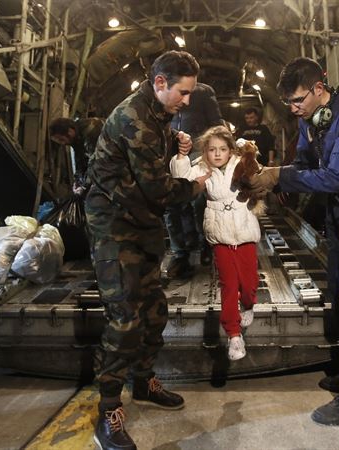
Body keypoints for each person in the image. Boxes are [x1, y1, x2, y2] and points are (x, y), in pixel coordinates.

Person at [243, 57, 339, 426]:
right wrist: (280, 182)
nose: (294, 109)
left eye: (298, 101)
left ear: (318, 88)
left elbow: (337, 176)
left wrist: (279, 177)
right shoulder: (309, 119)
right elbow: (306, 162)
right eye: (290, 104)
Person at [85, 50, 210, 450]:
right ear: (159, 83)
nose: (186, 102)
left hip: (141, 224)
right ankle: (109, 411)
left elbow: (153, 152)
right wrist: (198, 184)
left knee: (154, 311)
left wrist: (177, 139)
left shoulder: (156, 114)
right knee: (123, 319)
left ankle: (143, 383)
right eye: (183, 93)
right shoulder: (133, 119)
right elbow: (158, 189)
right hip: (115, 228)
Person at [171, 126, 261, 360]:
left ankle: (249, 305)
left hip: (244, 232)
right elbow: (181, 178)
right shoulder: (202, 167)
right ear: (205, 151)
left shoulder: (238, 163)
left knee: (249, 285)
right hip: (220, 234)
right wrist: (182, 155)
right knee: (229, 285)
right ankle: (233, 335)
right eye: (212, 150)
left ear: (230, 150)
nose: (217, 154)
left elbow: (256, 173)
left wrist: (248, 151)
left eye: (222, 149)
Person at [165, 82, 224, 276]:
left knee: (199, 202)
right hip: (171, 151)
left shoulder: (204, 92)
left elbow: (216, 123)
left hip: (198, 151)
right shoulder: (166, 91)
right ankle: (180, 252)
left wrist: (220, 149)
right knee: (171, 202)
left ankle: (205, 243)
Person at [49, 116, 105, 193]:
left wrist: (84, 186)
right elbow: (80, 160)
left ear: (70, 131)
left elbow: (96, 163)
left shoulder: (91, 130)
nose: (63, 143)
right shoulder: (75, 137)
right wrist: (77, 181)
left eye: (61, 139)